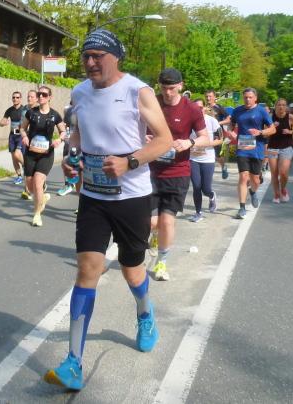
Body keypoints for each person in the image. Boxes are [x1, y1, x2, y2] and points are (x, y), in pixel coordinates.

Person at [44, 29, 172, 391]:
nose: (90, 62)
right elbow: (78, 135)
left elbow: (164, 140)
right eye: (86, 56)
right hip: (94, 196)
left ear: (116, 57)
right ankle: (73, 363)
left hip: (131, 197)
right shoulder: (80, 92)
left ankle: (144, 312)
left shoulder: (137, 91)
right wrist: (71, 159)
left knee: (132, 271)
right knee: (88, 269)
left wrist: (130, 162)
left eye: (98, 56)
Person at [149, 68, 210, 281]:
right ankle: (154, 235)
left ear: (181, 86)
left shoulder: (191, 108)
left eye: (172, 88)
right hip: (149, 170)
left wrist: (189, 142)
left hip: (178, 172)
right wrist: (143, 139)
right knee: (152, 224)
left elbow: (205, 138)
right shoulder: (151, 103)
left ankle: (162, 263)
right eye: (164, 88)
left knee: (167, 222)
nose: (167, 93)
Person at [20, 85, 66, 226]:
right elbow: (22, 127)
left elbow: (63, 131)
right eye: (39, 94)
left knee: (38, 183)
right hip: (31, 153)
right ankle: (43, 197)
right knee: (30, 187)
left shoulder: (54, 115)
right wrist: (24, 136)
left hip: (46, 154)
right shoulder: (31, 112)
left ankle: (37, 214)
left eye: (44, 94)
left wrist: (59, 139)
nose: (41, 96)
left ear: (49, 97)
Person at [227, 88, 276, 219]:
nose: (247, 99)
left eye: (250, 97)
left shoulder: (261, 111)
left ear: (255, 98)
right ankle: (242, 208)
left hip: (256, 149)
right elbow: (231, 124)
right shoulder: (237, 111)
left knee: (255, 179)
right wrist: (230, 132)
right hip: (242, 149)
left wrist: (260, 132)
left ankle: (253, 192)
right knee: (243, 177)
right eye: (245, 97)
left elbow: (272, 129)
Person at [188, 98, 223, 223]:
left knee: (206, 189)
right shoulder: (189, 121)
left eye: (200, 107)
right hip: (193, 158)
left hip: (208, 159)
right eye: (196, 107)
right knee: (196, 186)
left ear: (204, 108)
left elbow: (220, 139)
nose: (198, 109)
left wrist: (207, 143)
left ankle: (211, 195)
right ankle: (198, 213)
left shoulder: (212, 121)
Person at [267, 98, 293, 203]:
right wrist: (272, 127)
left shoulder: (290, 117)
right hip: (273, 146)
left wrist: (290, 132)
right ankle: (277, 195)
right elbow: (264, 132)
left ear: (286, 107)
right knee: (274, 173)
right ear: (275, 106)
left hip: (286, 146)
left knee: (283, 172)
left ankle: (283, 189)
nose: (281, 107)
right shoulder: (270, 117)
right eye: (279, 105)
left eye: (283, 105)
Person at [0, 91, 25, 184]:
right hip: (12, 135)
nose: (15, 99)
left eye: (17, 97)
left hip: (21, 136)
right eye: (13, 97)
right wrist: (3, 123)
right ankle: (19, 176)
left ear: (20, 99)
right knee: (14, 158)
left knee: (17, 155)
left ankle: (26, 167)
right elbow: (1, 123)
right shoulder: (9, 110)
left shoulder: (24, 110)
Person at [205, 90, 231, 179]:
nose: (208, 98)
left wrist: (218, 123)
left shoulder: (219, 107)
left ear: (214, 97)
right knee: (205, 152)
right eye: (207, 96)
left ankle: (223, 167)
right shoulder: (204, 108)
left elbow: (229, 119)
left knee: (217, 155)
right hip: (206, 134)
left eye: (210, 96)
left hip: (217, 134)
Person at [58, 99, 82, 196]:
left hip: (84, 144)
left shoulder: (87, 108)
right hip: (71, 142)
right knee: (68, 162)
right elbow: (66, 125)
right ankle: (68, 184)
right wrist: (64, 134)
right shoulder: (69, 111)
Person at [19, 90, 38, 200]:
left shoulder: (40, 109)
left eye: (32, 97)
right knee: (27, 164)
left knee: (37, 165)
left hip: (37, 140)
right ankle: (27, 190)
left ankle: (40, 183)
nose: (29, 98)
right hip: (26, 139)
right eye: (28, 96)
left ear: (36, 98)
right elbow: (22, 124)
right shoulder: (24, 109)